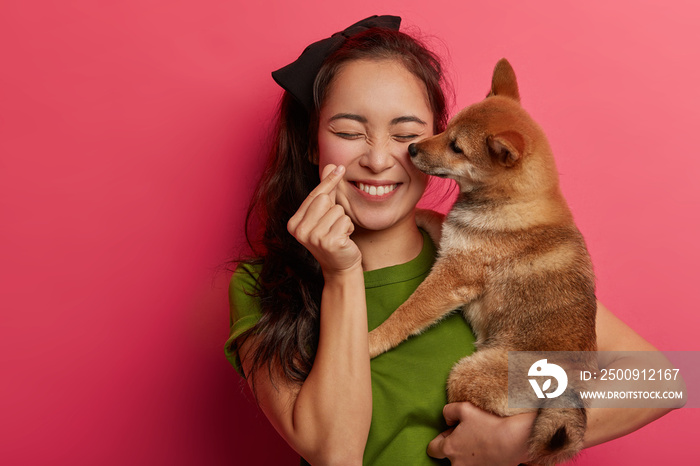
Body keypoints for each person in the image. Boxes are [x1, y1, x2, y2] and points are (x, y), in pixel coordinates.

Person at [225, 15, 680, 466]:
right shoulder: (263, 287)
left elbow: (662, 380)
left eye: (406, 134)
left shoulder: (497, 254)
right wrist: (341, 274)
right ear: (311, 144)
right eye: (348, 132)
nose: (380, 159)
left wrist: (519, 437)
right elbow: (336, 454)